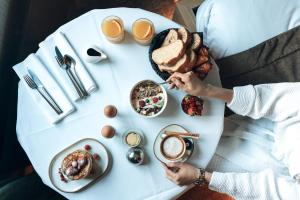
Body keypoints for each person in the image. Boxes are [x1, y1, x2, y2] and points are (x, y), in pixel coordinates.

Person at [163, 71, 300, 199]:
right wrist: (206, 89)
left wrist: (200, 177)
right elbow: (274, 100)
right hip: (257, 121)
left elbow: (268, 191)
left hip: (249, 174)